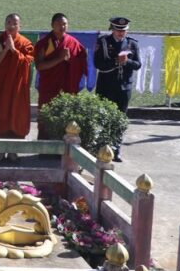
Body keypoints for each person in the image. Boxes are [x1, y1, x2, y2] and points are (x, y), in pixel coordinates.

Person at [0, 13, 35, 160]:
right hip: (0, 87)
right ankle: (0, 151)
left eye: (14, 23)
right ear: (5, 24)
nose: (11, 26)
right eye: (8, 22)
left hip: (16, 88)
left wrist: (13, 50)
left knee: (15, 116)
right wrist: (6, 49)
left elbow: (27, 63)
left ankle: (13, 151)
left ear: (20, 26)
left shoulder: (26, 43)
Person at [93, 17, 141, 161]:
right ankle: (102, 147)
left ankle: (116, 148)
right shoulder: (103, 42)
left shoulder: (132, 43)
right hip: (106, 86)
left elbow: (138, 64)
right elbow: (98, 63)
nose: (121, 33)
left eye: (123, 30)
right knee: (104, 117)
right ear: (112, 29)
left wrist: (127, 62)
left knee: (120, 119)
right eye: (118, 30)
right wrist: (115, 61)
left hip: (124, 87)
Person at [34, 13, 88, 137]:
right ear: (52, 25)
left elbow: (82, 64)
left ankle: (64, 145)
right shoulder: (44, 43)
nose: (62, 27)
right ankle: (44, 146)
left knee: (65, 119)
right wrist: (59, 59)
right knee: (46, 118)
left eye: (64, 24)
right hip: (49, 88)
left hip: (67, 88)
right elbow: (39, 66)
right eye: (58, 24)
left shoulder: (73, 43)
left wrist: (71, 61)